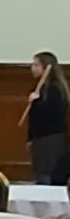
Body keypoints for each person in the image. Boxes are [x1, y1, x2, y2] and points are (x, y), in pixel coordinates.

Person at [24, 51, 69, 184]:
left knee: (47, 173)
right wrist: (30, 138)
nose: (32, 68)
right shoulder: (40, 89)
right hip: (40, 138)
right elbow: (33, 118)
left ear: (46, 68)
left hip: (50, 139)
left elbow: (50, 116)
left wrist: (36, 102)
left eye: (36, 65)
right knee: (40, 172)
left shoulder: (55, 90)